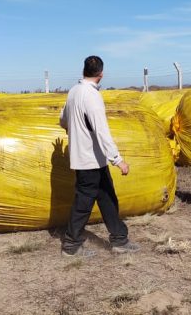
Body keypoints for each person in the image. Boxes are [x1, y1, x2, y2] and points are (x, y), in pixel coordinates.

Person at [58, 55, 141, 257]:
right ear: (101, 74)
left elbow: (62, 120)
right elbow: (101, 131)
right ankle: (71, 246)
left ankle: (119, 239)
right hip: (89, 160)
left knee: (107, 198)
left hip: (91, 158)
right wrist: (118, 160)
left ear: (83, 71)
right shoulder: (92, 96)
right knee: (83, 203)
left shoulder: (74, 91)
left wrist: (74, 130)